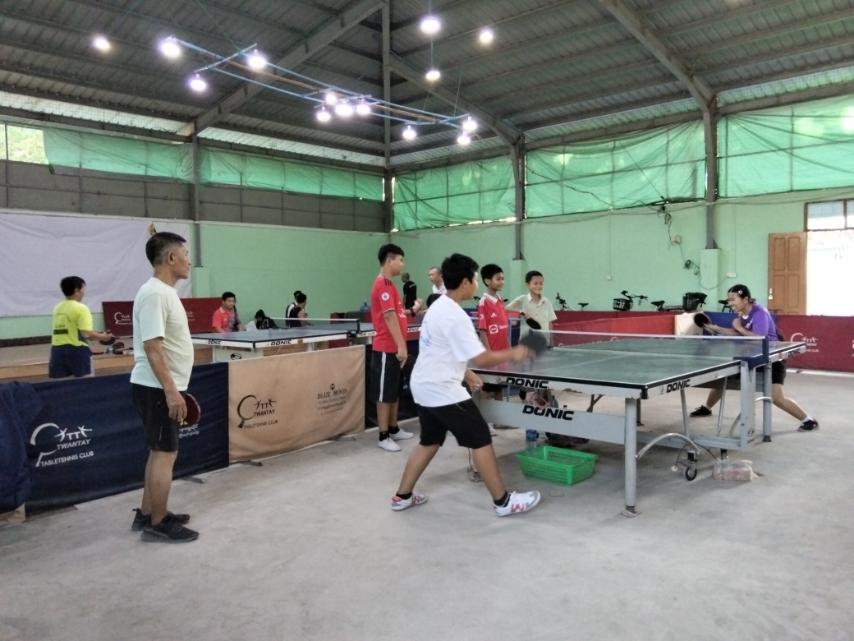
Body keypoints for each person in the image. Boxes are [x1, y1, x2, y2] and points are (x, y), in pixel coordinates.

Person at [391, 253, 541, 517]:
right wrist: (516, 352)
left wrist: (468, 374)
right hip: (443, 390)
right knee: (481, 439)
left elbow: (442, 349)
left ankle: (402, 497)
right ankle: (503, 502)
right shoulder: (456, 315)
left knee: (429, 441)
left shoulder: (438, 306)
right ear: (464, 282)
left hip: (424, 386)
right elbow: (482, 357)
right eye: (474, 278)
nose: (476, 283)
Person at [130, 231, 198, 542]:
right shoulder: (155, 293)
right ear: (171, 258)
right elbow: (153, 348)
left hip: (160, 387)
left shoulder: (162, 292)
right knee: (165, 454)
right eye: (186, 254)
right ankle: (158, 523)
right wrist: (171, 391)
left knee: (158, 451)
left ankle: (148, 513)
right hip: (157, 388)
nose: (189, 260)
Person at [690, 284, 818, 432]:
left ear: (745, 299)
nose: (730, 303)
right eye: (729, 300)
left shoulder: (759, 313)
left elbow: (759, 338)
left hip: (772, 358)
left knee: (776, 397)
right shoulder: (741, 314)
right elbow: (738, 333)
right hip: (752, 355)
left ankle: (808, 420)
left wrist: (739, 328)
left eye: (733, 299)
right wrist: (715, 328)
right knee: (723, 378)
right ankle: (707, 407)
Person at [370, 244, 415, 452]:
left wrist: (413, 310)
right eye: (400, 260)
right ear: (390, 260)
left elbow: (397, 313)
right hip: (386, 348)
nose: (402, 264)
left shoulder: (391, 285)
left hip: (395, 348)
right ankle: (383, 435)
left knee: (394, 391)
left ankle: (394, 428)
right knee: (384, 394)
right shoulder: (382, 284)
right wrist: (401, 346)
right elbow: (389, 316)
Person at [48, 276, 113, 378]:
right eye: (83, 288)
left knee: (61, 386)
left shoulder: (57, 308)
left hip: (57, 352)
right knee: (85, 385)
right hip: (77, 351)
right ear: (76, 290)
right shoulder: (81, 308)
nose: (84, 292)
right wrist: (105, 337)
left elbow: (73, 329)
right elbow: (87, 334)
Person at [477, 264, 510, 437]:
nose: (501, 281)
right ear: (487, 281)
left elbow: (504, 327)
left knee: (499, 387)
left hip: (503, 352)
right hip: (492, 353)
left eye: (503, 278)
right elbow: (483, 330)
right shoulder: (484, 302)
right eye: (498, 278)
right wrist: (488, 353)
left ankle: (498, 419)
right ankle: (486, 422)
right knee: (488, 388)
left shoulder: (500, 299)